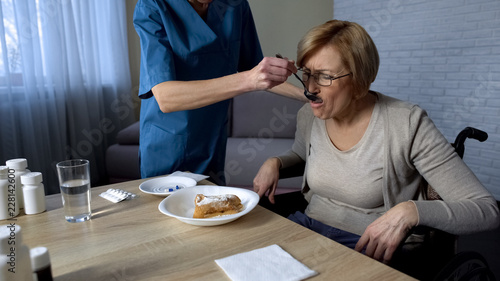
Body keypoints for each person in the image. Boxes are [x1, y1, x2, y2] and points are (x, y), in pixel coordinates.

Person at [253, 20, 499, 265]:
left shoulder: (406, 122)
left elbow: (486, 210)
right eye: (306, 73)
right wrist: (276, 162)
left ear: (360, 78)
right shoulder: (310, 114)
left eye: (324, 77)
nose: (310, 88)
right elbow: (303, 155)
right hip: (309, 225)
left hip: (370, 244)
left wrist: (411, 211)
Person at [133, 0, 304, 184]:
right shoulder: (153, 6)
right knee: (166, 210)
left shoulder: (236, 6)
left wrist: (308, 95)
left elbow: (258, 72)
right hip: (168, 144)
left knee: (214, 209)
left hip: (212, 139)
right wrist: (248, 79)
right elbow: (166, 98)